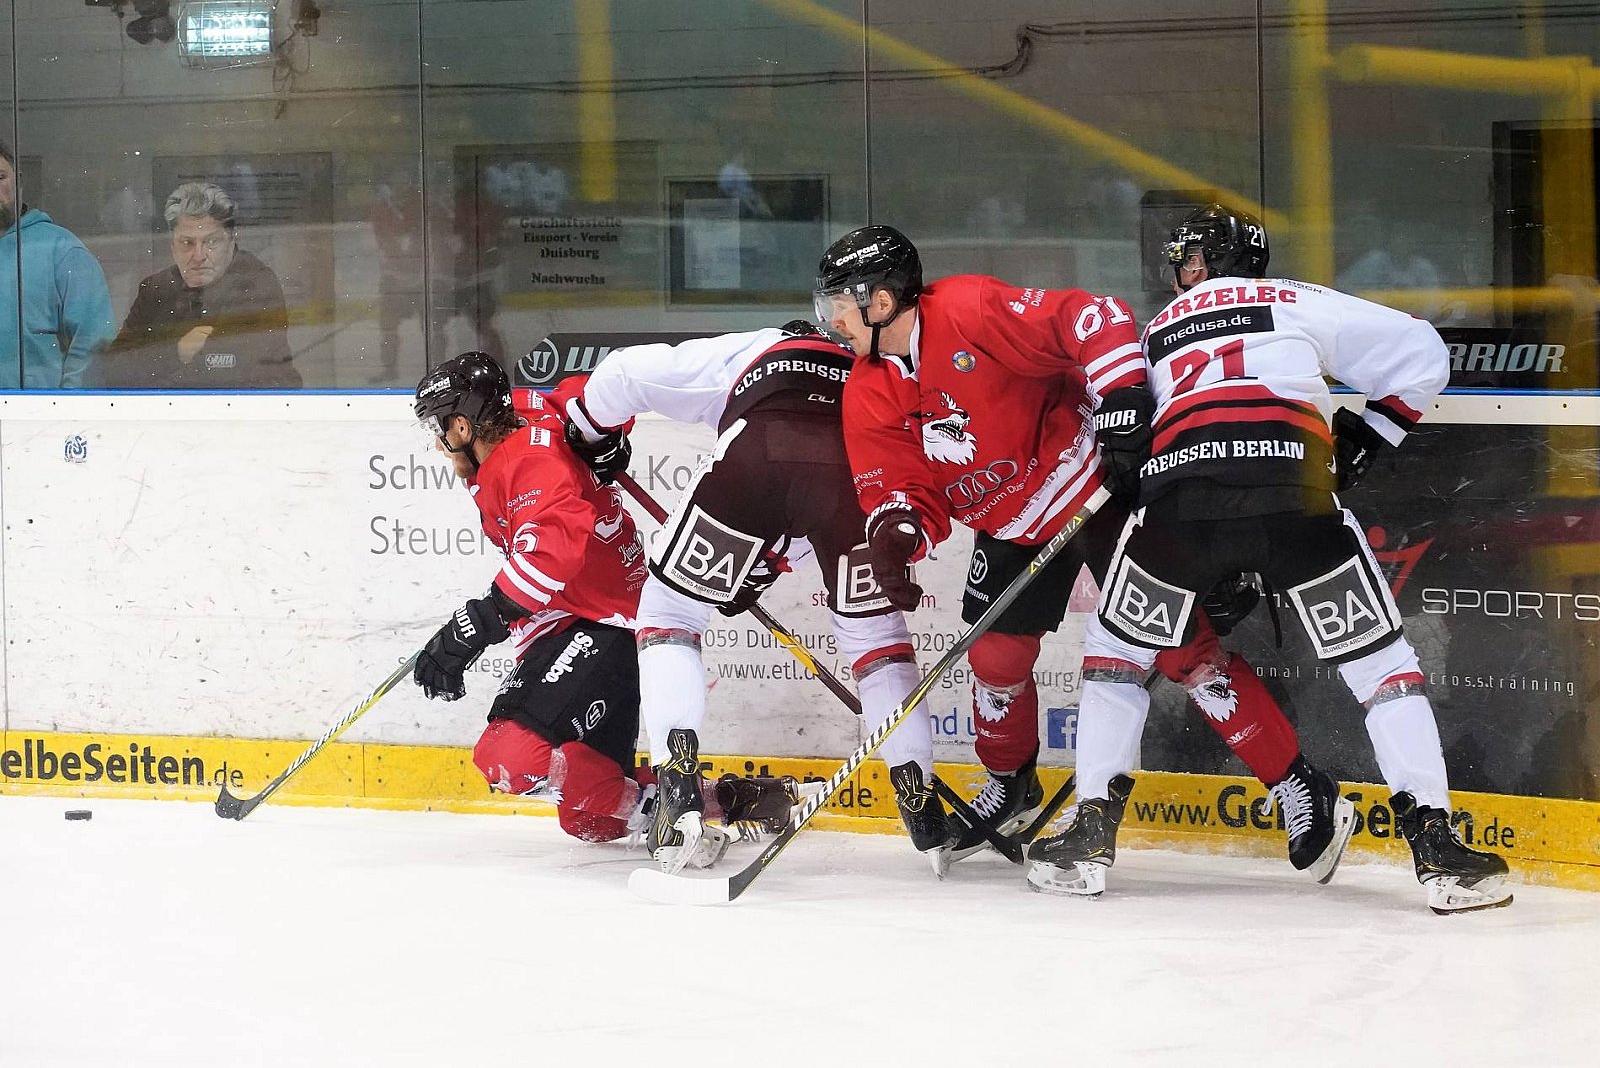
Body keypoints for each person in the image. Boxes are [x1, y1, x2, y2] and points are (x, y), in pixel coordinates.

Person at [814, 225, 1347, 876]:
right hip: (1009, 522)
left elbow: (1092, 317)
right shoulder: (867, 387)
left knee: (1182, 650)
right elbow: (899, 486)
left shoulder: (968, 308)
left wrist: (1122, 398)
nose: (833, 319)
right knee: (994, 656)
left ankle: (1299, 783)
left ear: (882, 300)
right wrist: (898, 536)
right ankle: (1011, 785)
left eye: (840, 303)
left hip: (1095, 487)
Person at [1025, 205, 1511, 913]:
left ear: (1216, 263)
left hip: (1182, 509)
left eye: (1192, 261)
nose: (1185, 275)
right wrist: (1368, 435)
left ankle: (1090, 836)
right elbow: (1423, 356)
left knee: (1116, 659)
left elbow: (1120, 428)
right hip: (1296, 498)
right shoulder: (1295, 298)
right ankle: (1438, 848)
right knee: (1382, 669)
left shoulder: (1156, 330)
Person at [559, 322, 950, 874]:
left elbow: (623, 373)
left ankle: (678, 790)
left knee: (671, 613)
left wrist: (590, 432)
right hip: (857, 482)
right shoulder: (880, 368)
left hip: (756, 459)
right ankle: (921, 802)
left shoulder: (759, 347)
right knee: (878, 642)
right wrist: (775, 555)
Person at [412, 350, 797, 849]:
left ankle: (664, 816)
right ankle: (733, 801)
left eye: (439, 428)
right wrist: (605, 435)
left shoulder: (529, 465)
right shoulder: (526, 414)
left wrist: (474, 627)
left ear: (463, 426)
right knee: (592, 821)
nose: (438, 444)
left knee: (508, 757)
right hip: (593, 620)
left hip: (602, 625)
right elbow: (585, 394)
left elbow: (551, 555)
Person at [101, 182, 300, 388]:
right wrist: (175, 352)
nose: (198, 256)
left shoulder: (255, 286)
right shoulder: (155, 289)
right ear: (172, 245)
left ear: (231, 242)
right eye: (187, 243)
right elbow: (114, 373)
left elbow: (224, 374)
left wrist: (156, 369)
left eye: (212, 242)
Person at [0, 141, 115, 388]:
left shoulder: (61, 250)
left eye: (0, 177)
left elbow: (92, 342)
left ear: (19, 183)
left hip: (37, 410)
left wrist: (68, 405)